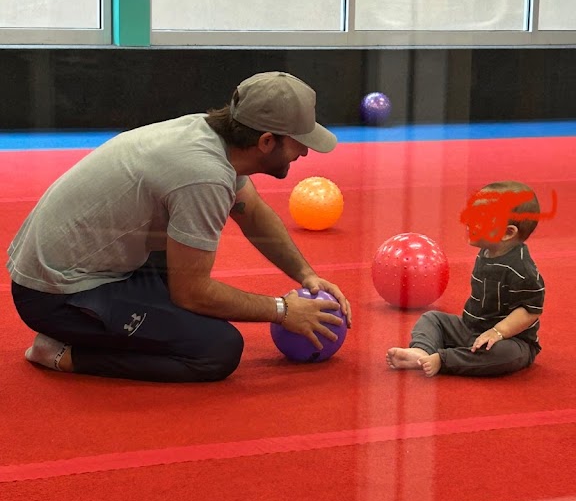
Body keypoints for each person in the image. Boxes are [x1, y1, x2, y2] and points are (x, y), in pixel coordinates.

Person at [8, 71, 351, 383]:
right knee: (217, 349)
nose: (305, 152)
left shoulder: (210, 135)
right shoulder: (204, 174)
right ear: (265, 142)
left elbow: (253, 213)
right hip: (55, 295)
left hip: (89, 269)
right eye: (299, 141)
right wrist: (282, 311)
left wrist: (306, 274)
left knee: (196, 308)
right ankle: (64, 354)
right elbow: (192, 292)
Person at [386, 181, 545, 378]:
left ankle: (444, 360)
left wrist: (497, 332)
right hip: (471, 328)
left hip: (511, 339)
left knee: (506, 355)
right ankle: (422, 351)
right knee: (432, 318)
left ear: (507, 233)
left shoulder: (521, 269)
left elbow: (530, 311)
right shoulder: (487, 251)